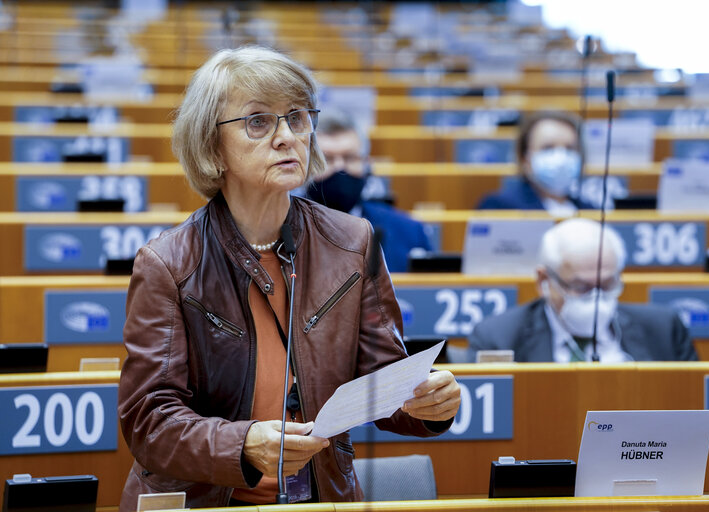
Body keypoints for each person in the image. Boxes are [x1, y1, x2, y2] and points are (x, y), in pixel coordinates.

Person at [117, 46, 460, 511]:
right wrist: (242, 444)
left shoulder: (351, 241)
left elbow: (382, 380)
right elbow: (148, 421)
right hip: (209, 501)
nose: (286, 137)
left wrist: (424, 403)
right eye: (258, 121)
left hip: (320, 499)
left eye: (296, 117)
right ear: (212, 146)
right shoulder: (169, 263)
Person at [467, 218, 698, 363]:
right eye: (581, 287)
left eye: (607, 284)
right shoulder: (498, 338)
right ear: (543, 281)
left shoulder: (664, 329)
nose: (597, 298)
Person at [307, 108, 433, 272]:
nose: (340, 167)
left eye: (350, 158)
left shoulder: (409, 231)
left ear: (366, 163)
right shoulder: (283, 229)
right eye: (326, 159)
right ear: (307, 165)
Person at [476, 111, 592, 214]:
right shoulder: (501, 207)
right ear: (525, 158)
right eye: (548, 148)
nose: (560, 156)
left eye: (569, 148)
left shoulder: (590, 211)